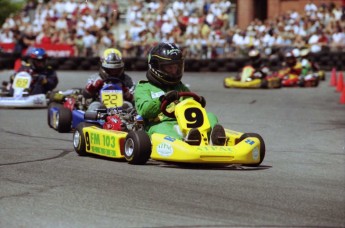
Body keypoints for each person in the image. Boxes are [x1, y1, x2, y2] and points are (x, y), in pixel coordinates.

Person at [134, 42, 226, 146]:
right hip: (160, 124)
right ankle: (186, 143)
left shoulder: (180, 87)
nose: (174, 71)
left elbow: (191, 105)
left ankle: (215, 139)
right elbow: (144, 111)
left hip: (185, 123)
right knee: (164, 129)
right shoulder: (144, 87)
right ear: (155, 67)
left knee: (210, 116)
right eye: (169, 68)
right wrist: (162, 100)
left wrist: (198, 102)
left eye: (176, 67)